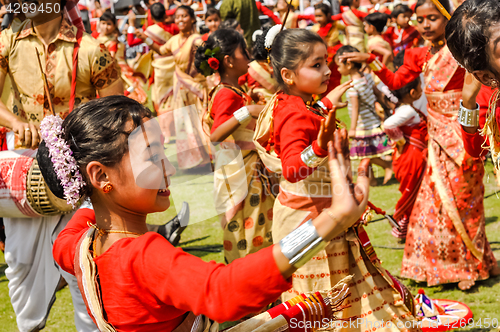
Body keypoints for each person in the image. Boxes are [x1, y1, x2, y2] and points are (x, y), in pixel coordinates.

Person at [44, 94, 372, 331]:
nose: (169, 167)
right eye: (153, 156)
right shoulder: (141, 256)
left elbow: (76, 224)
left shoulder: (78, 247)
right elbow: (222, 291)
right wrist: (331, 220)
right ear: (101, 176)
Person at [253, 27, 418, 330]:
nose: (328, 70)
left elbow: (308, 118)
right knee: (328, 302)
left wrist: (327, 104)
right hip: (311, 220)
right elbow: (291, 168)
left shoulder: (290, 102)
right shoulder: (294, 113)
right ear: (289, 75)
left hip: (313, 216)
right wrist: (319, 145)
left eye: (326, 62)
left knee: (337, 298)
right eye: (316, 66)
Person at [340, 0, 499, 290]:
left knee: (465, 202)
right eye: (420, 19)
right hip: (435, 134)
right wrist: (370, 60)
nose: (425, 25)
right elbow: (395, 80)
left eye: (432, 18)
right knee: (431, 204)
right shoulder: (418, 54)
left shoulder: (466, 49)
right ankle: (434, 266)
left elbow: (484, 90)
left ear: (447, 18)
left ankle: (472, 266)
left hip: (464, 133)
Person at [0, 0, 124, 330]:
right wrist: (14, 122)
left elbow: (115, 114)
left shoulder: (92, 50)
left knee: (85, 259)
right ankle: (29, 325)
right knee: (20, 261)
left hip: (81, 166)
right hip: (26, 168)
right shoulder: (6, 43)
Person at [195, 29, 275, 263]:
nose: (249, 57)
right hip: (243, 173)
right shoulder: (227, 95)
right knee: (247, 229)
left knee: (254, 227)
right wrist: (247, 111)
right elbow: (216, 134)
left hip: (244, 169)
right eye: (244, 52)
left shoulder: (233, 91)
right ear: (228, 61)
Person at [140, 5, 211, 170]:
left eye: (184, 16)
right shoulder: (174, 40)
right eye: (177, 17)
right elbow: (161, 50)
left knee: (200, 122)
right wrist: (145, 39)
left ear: (192, 18)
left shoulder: (197, 40)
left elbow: (207, 60)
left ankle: (208, 158)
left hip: (196, 89)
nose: (180, 20)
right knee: (184, 124)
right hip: (180, 89)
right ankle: (193, 161)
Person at [335, 45, 393, 186]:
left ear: (348, 65)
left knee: (365, 153)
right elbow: (377, 94)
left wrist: (353, 128)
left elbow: (355, 108)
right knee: (365, 153)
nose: (337, 69)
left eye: (338, 66)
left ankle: (388, 165)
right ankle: (371, 180)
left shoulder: (353, 86)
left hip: (363, 123)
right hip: (372, 119)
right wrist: (387, 107)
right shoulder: (367, 77)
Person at [383, 72, 427, 242]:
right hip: (412, 157)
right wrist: (399, 140)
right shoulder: (408, 109)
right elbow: (388, 124)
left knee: (413, 193)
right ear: (412, 93)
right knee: (411, 194)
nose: (422, 90)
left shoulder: (405, 107)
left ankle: (409, 230)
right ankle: (403, 230)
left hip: (409, 155)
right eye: (419, 88)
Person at [97, 11, 148, 104]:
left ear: (114, 25)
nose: (105, 27)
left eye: (109, 24)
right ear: (99, 24)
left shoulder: (113, 41)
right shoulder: (95, 38)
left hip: (113, 71)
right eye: (103, 23)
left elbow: (111, 58)